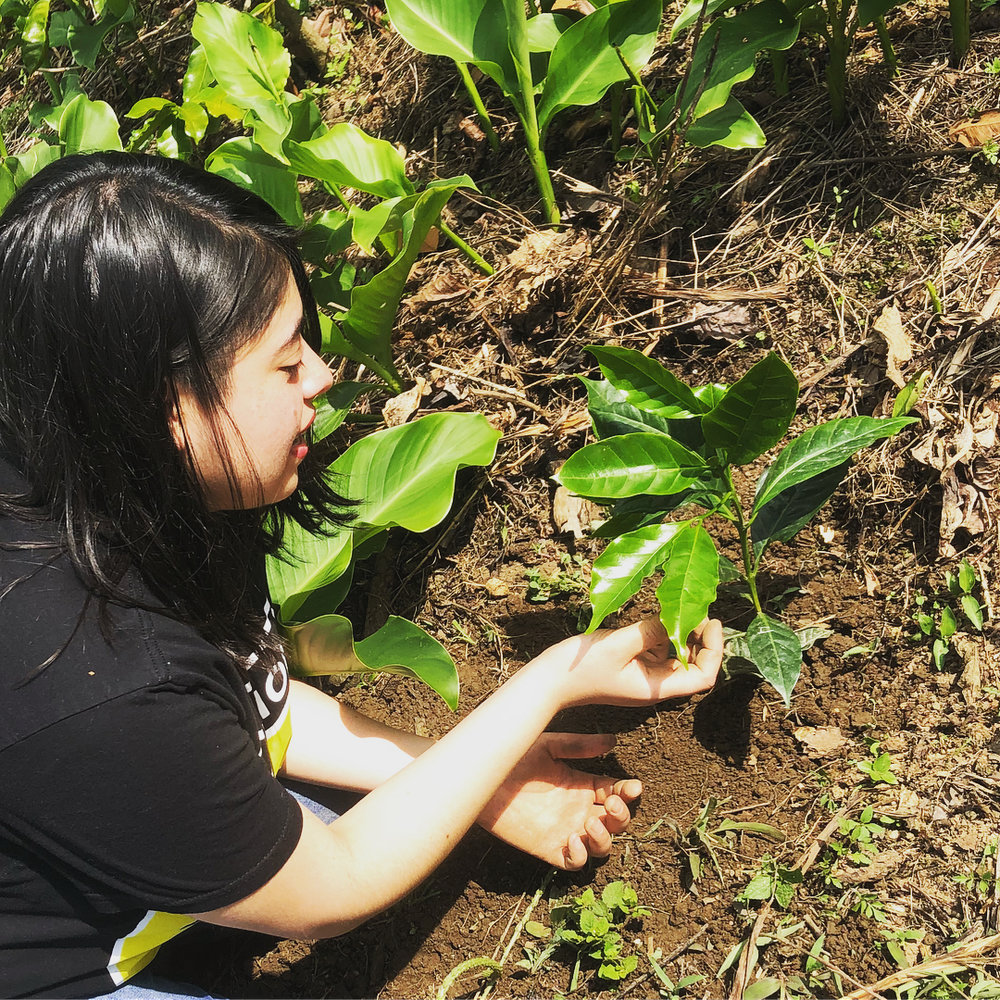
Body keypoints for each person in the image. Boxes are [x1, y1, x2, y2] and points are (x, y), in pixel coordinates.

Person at [0, 152, 723, 999]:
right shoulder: (94, 681)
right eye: (284, 361)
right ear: (165, 404)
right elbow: (332, 886)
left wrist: (487, 775)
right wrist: (548, 682)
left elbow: (243, 692)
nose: (323, 374)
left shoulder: (94, 470)